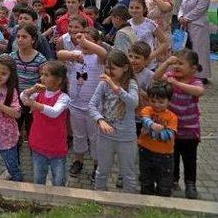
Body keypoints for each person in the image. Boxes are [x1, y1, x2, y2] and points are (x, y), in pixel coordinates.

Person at [154, 50, 205, 199]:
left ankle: (190, 183)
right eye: (175, 62)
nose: (176, 66)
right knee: (172, 157)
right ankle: (172, 180)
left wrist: (176, 83)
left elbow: (199, 91)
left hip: (190, 132)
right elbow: (156, 78)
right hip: (171, 130)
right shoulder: (169, 77)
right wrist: (166, 63)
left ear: (193, 68)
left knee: (189, 160)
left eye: (180, 63)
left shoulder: (195, 82)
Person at [58, 31, 107, 181]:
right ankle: (78, 160)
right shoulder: (76, 55)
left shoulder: (98, 58)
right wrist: (74, 54)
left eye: (89, 40)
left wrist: (85, 42)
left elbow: (103, 52)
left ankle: (98, 164)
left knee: (95, 138)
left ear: (96, 42)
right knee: (78, 136)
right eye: (82, 41)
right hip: (75, 106)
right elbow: (60, 54)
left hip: (94, 108)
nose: (84, 43)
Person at [88, 50, 139, 193]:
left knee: (128, 174)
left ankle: (128, 204)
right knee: (101, 171)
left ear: (125, 68)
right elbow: (91, 105)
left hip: (126, 138)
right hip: (105, 136)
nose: (109, 72)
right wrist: (100, 120)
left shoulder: (131, 83)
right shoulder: (103, 84)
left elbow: (133, 102)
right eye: (107, 68)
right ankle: (98, 199)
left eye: (113, 68)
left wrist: (115, 87)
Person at [20, 61, 70, 187]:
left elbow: (54, 112)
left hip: (57, 147)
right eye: (41, 74)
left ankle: (59, 203)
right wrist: (32, 90)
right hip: (38, 144)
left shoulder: (64, 98)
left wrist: (34, 104)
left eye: (46, 75)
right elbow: (22, 97)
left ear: (58, 80)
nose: (41, 78)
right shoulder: (38, 93)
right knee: (38, 178)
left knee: (58, 180)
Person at [138, 84, 177, 197]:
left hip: (165, 156)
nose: (156, 105)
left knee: (164, 185)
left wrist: (149, 131)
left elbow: (168, 135)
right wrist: (153, 125)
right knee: (146, 182)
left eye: (161, 102)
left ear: (169, 100)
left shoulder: (172, 117)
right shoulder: (147, 109)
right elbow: (144, 119)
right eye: (153, 101)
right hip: (145, 151)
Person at [10, 23, 47, 139]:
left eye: (24, 37)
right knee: (15, 132)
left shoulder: (40, 59)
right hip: (16, 100)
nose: (20, 40)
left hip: (33, 102)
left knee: (33, 132)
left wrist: (35, 100)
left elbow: (43, 83)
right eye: (18, 36)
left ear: (33, 40)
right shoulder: (12, 57)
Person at [177, 0, 211, 83]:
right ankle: (188, 73)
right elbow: (182, 6)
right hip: (186, 24)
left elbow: (200, 9)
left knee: (199, 50)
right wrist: (180, 16)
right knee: (187, 49)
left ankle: (201, 75)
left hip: (198, 25)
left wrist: (186, 18)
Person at [128, 0, 169, 67]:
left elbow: (164, 43)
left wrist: (151, 56)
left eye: (137, 8)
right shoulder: (127, 24)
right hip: (132, 64)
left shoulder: (150, 24)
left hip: (148, 64)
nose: (134, 10)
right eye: (131, 7)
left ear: (144, 9)